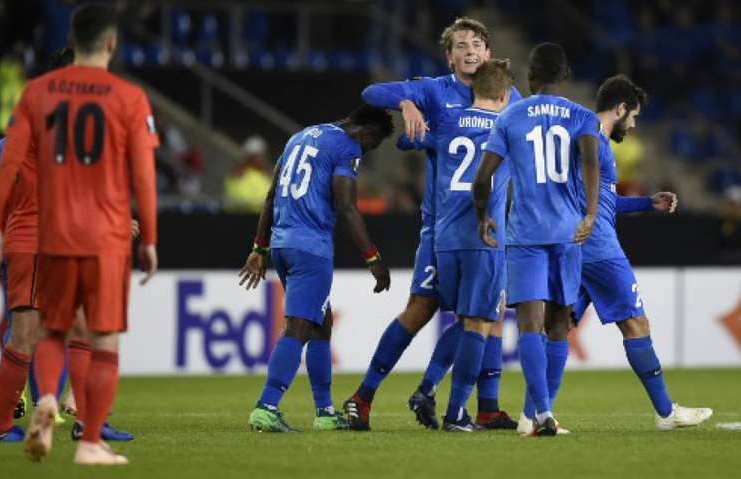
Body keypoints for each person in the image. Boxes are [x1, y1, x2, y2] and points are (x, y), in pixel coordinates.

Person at [0, 3, 158, 465]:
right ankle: (13, 425)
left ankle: (72, 416)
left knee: (69, 329)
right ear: (109, 45)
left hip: (47, 234)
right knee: (44, 333)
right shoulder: (118, 99)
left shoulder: (35, 100)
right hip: (52, 235)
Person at [344, 16, 521, 432]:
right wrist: (404, 102)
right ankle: (367, 395)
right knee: (437, 310)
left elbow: (414, 142)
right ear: (450, 56)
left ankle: (486, 407)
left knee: (484, 312)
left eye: (478, 43)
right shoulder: (434, 90)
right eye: (462, 45)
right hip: (443, 225)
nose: (471, 50)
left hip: (472, 226)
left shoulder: (506, 94)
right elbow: (371, 92)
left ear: (489, 53)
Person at [517, 74, 713, 434]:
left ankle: (532, 416)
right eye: (633, 116)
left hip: (575, 246)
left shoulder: (592, 142)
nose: (634, 124)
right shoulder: (592, 140)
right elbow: (592, 207)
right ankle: (666, 412)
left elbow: (604, 202)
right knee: (636, 323)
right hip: (600, 250)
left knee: (559, 327)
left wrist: (646, 203)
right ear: (620, 109)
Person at [238, 105, 394, 432]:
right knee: (297, 327)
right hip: (311, 248)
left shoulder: (300, 136)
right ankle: (266, 406)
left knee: (321, 324)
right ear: (367, 133)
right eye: (372, 144)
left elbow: (270, 196)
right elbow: (347, 207)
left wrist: (259, 247)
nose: (366, 151)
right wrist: (373, 258)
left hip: (281, 243)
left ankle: (325, 413)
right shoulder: (347, 146)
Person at [473, 42, 600, 437]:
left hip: (525, 233)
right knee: (560, 324)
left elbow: (483, 178)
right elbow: (592, 161)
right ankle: (541, 416)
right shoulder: (582, 116)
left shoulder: (510, 116)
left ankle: (540, 414)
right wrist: (591, 213)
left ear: (530, 77)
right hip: (568, 232)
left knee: (529, 324)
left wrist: (483, 215)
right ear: (565, 76)